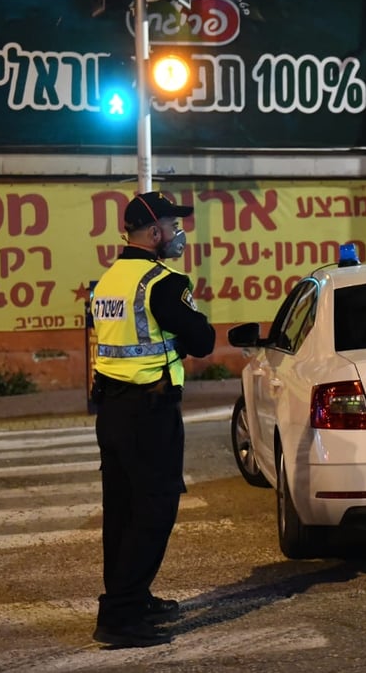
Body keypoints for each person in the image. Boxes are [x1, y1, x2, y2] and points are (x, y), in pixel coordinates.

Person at [89, 191, 216, 647]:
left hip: (113, 410)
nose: (179, 233)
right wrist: (189, 332)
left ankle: (132, 596)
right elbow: (202, 339)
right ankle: (120, 617)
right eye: (172, 224)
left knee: (122, 511)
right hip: (149, 410)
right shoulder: (160, 282)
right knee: (154, 510)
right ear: (155, 232)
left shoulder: (108, 281)